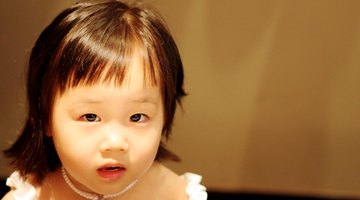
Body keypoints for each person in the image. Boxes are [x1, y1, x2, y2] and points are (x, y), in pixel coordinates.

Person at [2, 0, 207, 199]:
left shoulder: (178, 195)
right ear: (46, 118)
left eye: (137, 117)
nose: (115, 143)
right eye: (90, 116)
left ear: (164, 116)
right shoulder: (31, 195)